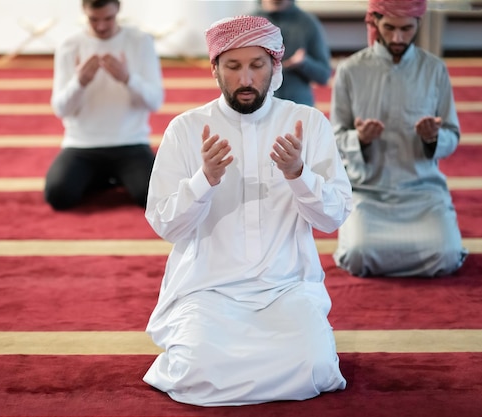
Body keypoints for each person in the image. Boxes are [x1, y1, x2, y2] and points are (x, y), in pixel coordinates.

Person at [142, 15, 352, 406]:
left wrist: (298, 174)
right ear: (214, 69)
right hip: (207, 289)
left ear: (275, 67)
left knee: (317, 367)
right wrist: (204, 179)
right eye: (233, 67)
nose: (246, 79)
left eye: (257, 65)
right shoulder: (187, 129)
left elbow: (333, 217)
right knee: (194, 374)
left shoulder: (306, 123)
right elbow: (166, 225)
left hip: (286, 286)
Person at [330, 0, 468, 277]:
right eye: (389, 28)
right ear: (375, 23)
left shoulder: (434, 70)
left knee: (447, 255)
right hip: (367, 192)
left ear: (418, 24)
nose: (397, 37)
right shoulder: (350, 70)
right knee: (358, 255)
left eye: (406, 29)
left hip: (422, 192)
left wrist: (433, 138)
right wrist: (361, 138)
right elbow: (335, 138)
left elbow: (452, 135)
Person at [45, 0, 164, 210]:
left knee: (152, 198)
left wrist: (128, 79)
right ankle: (113, 177)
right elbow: (60, 109)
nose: (101, 26)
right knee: (59, 196)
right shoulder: (69, 45)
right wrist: (79, 82)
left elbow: (155, 102)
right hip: (81, 145)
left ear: (118, 9)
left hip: (131, 142)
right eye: (93, 19)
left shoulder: (140, 40)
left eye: (108, 19)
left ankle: (111, 177)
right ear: (84, 11)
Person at [252, 0, 332, 106]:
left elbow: (324, 75)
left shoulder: (308, 23)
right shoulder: (250, 24)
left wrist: (304, 63)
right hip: (260, 107)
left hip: (299, 107)